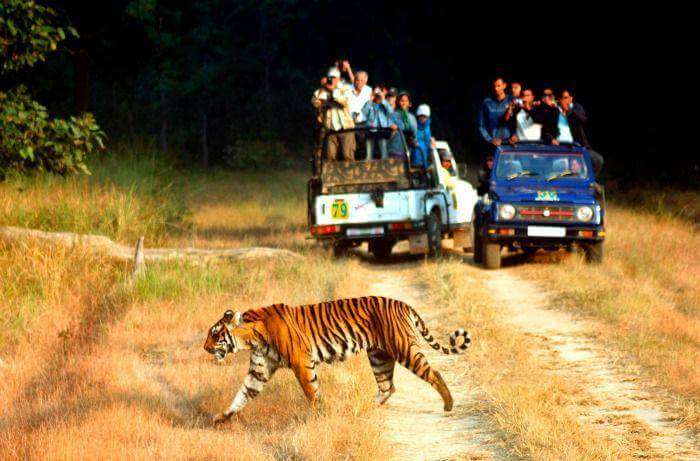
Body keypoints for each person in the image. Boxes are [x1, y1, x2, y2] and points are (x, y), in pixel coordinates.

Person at [311, 67, 355, 162]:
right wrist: (323, 88)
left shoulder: (345, 88)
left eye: (334, 77)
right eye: (330, 77)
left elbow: (345, 101)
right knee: (330, 156)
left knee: (347, 155)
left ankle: (349, 175)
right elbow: (315, 103)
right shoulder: (322, 90)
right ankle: (333, 176)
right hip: (330, 129)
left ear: (338, 78)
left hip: (346, 128)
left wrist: (333, 91)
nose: (332, 80)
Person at [559, 89, 604, 174]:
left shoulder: (576, 108)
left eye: (566, 98)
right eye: (562, 98)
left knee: (597, 160)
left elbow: (582, 119)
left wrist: (569, 110)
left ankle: (590, 181)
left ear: (571, 98)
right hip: (561, 148)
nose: (564, 100)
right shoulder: (556, 110)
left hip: (579, 147)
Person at [477, 77, 513, 153]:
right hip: (492, 145)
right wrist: (490, 139)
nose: (496, 89)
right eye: (494, 86)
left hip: (510, 145)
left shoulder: (512, 100)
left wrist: (515, 136)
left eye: (498, 86)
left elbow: (519, 121)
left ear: (504, 85)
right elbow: (481, 125)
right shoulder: (487, 102)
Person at [361, 86, 396, 159]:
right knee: (369, 154)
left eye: (379, 93)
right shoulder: (369, 104)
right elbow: (364, 112)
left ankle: (384, 167)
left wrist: (383, 99)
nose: (377, 96)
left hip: (381, 131)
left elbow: (391, 111)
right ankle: (368, 167)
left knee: (384, 153)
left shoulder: (384, 104)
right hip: (370, 130)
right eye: (376, 93)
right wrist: (370, 100)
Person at [389, 92, 418, 157]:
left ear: (409, 103)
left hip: (407, 151)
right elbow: (389, 132)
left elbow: (415, 133)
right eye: (402, 101)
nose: (404, 103)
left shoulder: (412, 117)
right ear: (398, 102)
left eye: (406, 101)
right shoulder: (393, 115)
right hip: (395, 150)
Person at [414, 104, 432, 169]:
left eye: (424, 116)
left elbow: (428, 143)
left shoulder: (428, 128)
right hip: (416, 159)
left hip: (426, 159)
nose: (422, 118)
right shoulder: (414, 126)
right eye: (421, 116)